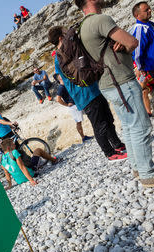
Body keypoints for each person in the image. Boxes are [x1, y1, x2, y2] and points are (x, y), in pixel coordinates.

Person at [75, 0, 154, 186]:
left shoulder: (83, 25)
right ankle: (148, 174)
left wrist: (121, 45)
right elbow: (132, 41)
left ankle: (138, 167)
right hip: (120, 81)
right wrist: (125, 45)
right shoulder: (100, 19)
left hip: (108, 84)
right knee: (141, 126)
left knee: (131, 127)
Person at [49, 26, 128, 162]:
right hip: (84, 94)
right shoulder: (60, 57)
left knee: (108, 118)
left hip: (93, 88)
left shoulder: (68, 52)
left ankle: (117, 144)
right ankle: (109, 153)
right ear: (61, 37)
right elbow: (62, 78)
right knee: (99, 124)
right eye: (64, 33)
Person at [130, 1, 154, 104]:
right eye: (146, 10)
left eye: (149, 8)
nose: (150, 10)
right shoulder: (140, 30)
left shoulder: (150, 24)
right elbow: (137, 52)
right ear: (137, 15)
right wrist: (140, 68)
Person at [53, 74, 93, 143]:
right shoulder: (61, 87)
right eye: (60, 75)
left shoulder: (67, 83)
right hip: (73, 106)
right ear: (59, 78)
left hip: (78, 102)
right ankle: (83, 138)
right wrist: (66, 104)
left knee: (91, 114)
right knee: (78, 122)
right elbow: (58, 99)